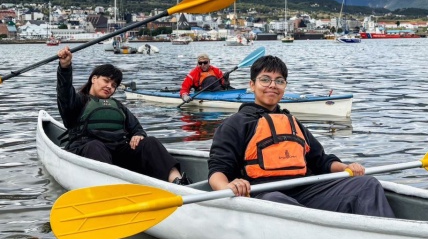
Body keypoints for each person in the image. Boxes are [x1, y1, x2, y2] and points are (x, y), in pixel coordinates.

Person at [208, 55, 395, 217]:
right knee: (276, 200)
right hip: (263, 195)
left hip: (305, 191)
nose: (272, 86)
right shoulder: (235, 124)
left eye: (279, 81)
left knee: (366, 184)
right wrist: (228, 188)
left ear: (285, 86)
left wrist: (347, 167)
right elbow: (217, 171)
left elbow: (321, 161)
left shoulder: (293, 122)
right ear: (252, 84)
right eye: (265, 79)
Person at [56, 46, 191, 185]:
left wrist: (138, 134)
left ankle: (178, 181)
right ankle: (108, 189)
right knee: (95, 146)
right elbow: (64, 91)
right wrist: (65, 67)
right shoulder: (77, 101)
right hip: (88, 151)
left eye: (114, 85)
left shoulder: (118, 106)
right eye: (106, 81)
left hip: (118, 153)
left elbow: (136, 128)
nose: (110, 86)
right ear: (94, 79)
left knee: (150, 142)